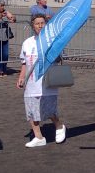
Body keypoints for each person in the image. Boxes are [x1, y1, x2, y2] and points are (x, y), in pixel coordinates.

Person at [16, 14, 66, 148]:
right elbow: (24, 63)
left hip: (47, 81)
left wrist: (51, 51)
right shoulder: (27, 42)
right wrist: (21, 77)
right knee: (31, 111)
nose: (39, 26)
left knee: (49, 109)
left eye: (42, 23)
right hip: (31, 82)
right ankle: (38, 137)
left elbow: (58, 60)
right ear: (33, 25)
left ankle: (59, 126)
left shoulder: (52, 41)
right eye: (37, 23)